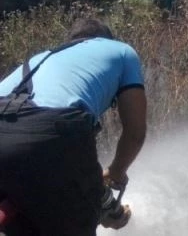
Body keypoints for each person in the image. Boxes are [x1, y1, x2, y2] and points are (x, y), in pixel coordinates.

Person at [0, 18, 147, 235]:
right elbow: (135, 134)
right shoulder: (121, 51)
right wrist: (116, 172)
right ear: (105, 39)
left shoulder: (41, 58)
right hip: (52, 129)